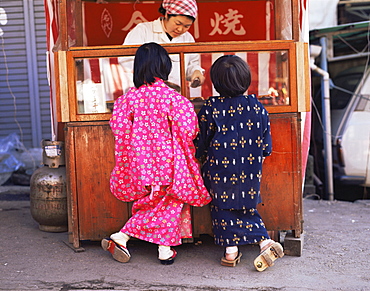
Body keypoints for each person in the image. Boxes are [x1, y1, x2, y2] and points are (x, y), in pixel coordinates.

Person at [102, 42, 211, 265]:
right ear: (165, 68)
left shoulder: (128, 99)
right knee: (170, 201)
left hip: (140, 162)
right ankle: (127, 237)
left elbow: (119, 128)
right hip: (169, 161)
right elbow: (189, 129)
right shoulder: (173, 98)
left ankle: (161, 247)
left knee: (154, 201)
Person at [194, 55, 284, 271]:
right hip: (249, 170)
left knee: (221, 207)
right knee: (246, 207)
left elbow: (201, 143)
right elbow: (266, 147)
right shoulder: (257, 106)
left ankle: (231, 252)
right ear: (246, 80)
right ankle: (264, 242)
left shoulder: (211, 107)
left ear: (215, 83)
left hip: (218, 169)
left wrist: (201, 155)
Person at [119, 0, 204, 91]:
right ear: (167, 14)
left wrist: (196, 72)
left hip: (174, 96)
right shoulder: (142, 30)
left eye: (186, 26)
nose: (180, 29)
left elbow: (192, 63)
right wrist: (154, 80)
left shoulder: (187, 38)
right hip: (144, 96)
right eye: (178, 23)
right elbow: (126, 62)